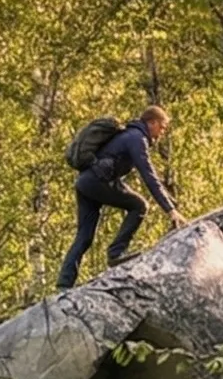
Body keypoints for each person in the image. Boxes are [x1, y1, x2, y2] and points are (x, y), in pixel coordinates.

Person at [58, 105, 183, 290]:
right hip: (97, 182)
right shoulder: (137, 138)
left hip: (85, 182)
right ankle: (116, 253)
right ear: (152, 122)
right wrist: (170, 209)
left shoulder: (128, 135)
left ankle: (64, 284)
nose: (162, 132)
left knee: (84, 236)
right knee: (139, 206)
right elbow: (149, 175)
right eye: (162, 127)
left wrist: (171, 204)